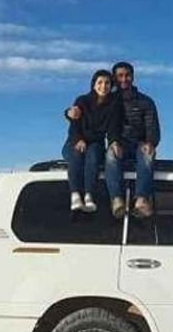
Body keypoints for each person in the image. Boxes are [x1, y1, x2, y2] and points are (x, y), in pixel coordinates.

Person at [66, 61, 162, 217]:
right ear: (115, 79)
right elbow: (82, 112)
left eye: (127, 75)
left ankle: (142, 200)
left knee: (147, 154)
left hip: (140, 144)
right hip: (119, 142)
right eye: (120, 76)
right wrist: (67, 113)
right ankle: (116, 200)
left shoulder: (146, 101)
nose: (124, 79)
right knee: (111, 155)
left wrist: (150, 142)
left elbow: (153, 126)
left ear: (133, 77)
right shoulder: (110, 100)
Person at [62, 69, 118, 213]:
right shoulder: (82, 101)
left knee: (92, 156)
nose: (103, 86)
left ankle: (88, 195)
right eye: (100, 82)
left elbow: (113, 129)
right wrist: (79, 139)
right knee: (77, 155)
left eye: (107, 83)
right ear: (93, 84)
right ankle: (74, 195)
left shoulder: (113, 106)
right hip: (75, 141)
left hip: (95, 144)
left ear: (111, 86)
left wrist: (114, 142)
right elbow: (74, 124)